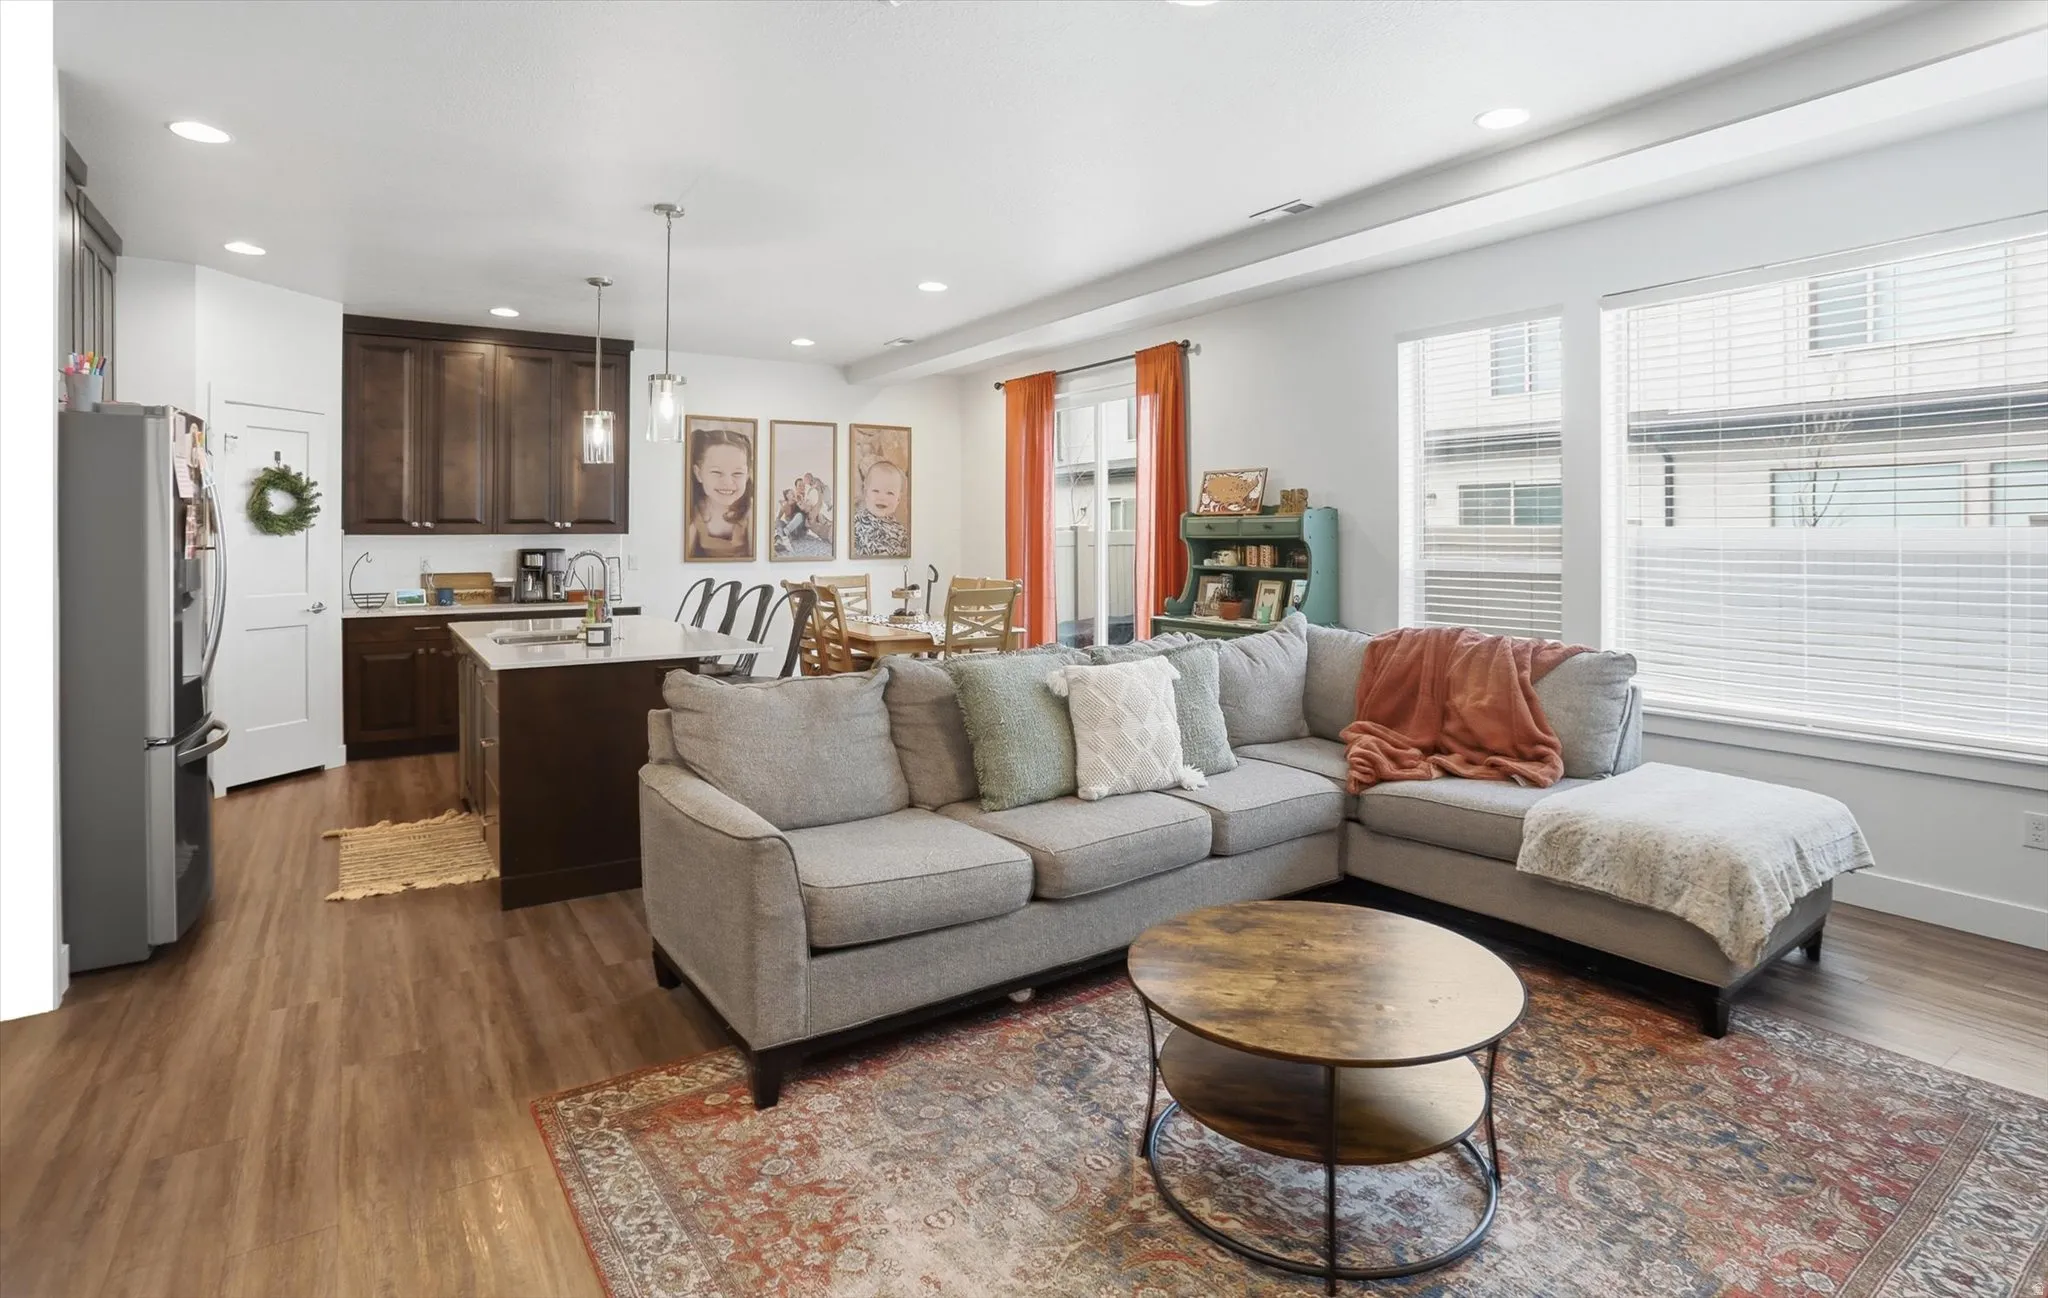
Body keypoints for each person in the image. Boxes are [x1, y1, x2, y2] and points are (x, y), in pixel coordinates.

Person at [686, 428, 754, 560]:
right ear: (698, 473)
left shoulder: (751, 510)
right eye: (717, 472)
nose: (728, 482)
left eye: (737, 473)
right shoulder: (695, 510)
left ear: (748, 475)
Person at [852, 458, 909, 557]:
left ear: (898, 499)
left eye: (890, 493)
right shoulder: (856, 523)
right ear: (865, 492)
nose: (882, 497)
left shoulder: (901, 531)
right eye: (876, 491)